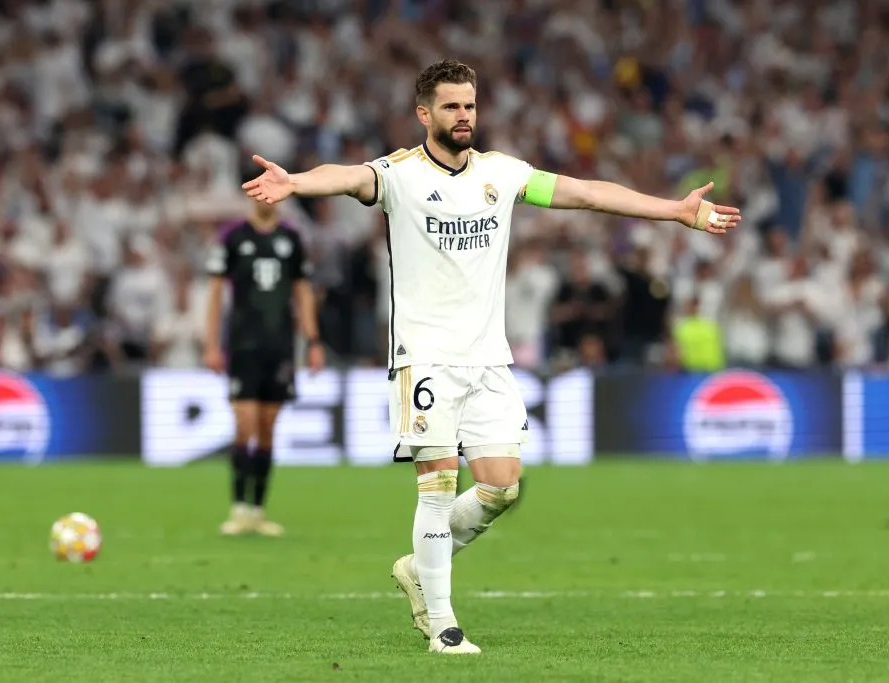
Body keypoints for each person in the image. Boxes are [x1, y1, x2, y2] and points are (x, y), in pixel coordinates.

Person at [241, 59, 739, 654]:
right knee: (437, 483)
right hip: (424, 356)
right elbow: (347, 176)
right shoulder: (398, 175)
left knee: (502, 488)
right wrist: (295, 181)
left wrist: (675, 210)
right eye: (451, 107)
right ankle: (443, 623)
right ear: (425, 114)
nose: (464, 116)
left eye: (470, 106)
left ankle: (420, 566)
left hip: (488, 358)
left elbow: (585, 193)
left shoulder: (502, 174)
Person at [203, 198, 325, 536]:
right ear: (250, 196)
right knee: (245, 424)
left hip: (280, 347)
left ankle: (257, 510)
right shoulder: (232, 236)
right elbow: (215, 293)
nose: (265, 199)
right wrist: (211, 344)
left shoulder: (291, 237)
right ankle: (238, 508)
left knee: (269, 427)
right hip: (242, 346)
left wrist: (313, 342)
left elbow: (302, 291)